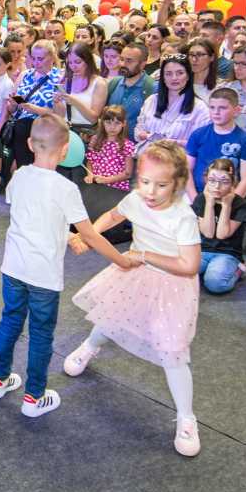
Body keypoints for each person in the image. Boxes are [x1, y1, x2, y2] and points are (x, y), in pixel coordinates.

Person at [63, 140, 204, 455]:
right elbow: (113, 216)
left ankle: (186, 417)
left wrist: (144, 256)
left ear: (178, 183)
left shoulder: (182, 216)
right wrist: (89, 235)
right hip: (136, 274)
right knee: (112, 315)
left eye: (161, 185)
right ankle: (89, 347)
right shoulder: (136, 198)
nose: (151, 192)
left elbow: (189, 265)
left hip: (172, 285)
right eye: (145, 181)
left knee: (172, 349)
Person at [0, 114, 133, 420]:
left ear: (30, 144)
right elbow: (90, 234)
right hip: (43, 276)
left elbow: (33, 217)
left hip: (13, 268)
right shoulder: (66, 189)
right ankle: (34, 396)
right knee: (41, 333)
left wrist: (67, 236)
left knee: (10, 321)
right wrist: (122, 260)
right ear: (66, 150)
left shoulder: (20, 176)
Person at [183, 88, 246, 200]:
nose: (216, 112)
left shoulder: (245, 141)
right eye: (212, 107)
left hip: (227, 198)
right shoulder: (198, 134)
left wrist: (231, 204)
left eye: (222, 108)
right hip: (197, 195)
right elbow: (187, 170)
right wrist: (195, 200)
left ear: (236, 110)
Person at [193, 158, 246, 295]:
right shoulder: (201, 199)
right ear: (206, 180)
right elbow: (208, 233)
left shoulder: (240, 204)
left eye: (224, 182)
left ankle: (237, 270)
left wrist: (226, 205)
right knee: (180, 273)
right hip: (202, 251)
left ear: (233, 183)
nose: (217, 186)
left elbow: (222, 234)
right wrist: (209, 203)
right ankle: (208, 270)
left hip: (227, 253)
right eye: (212, 180)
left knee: (215, 284)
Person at [6, 41, 65, 173]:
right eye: (33, 58)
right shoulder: (25, 75)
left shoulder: (59, 78)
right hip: (20, 129)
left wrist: (32, 108)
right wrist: (13, 104)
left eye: (41, 59)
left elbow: (59, 114)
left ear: (52, 57)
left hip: (44, 130)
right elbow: (12, 108)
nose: (36, 62)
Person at [135, 55, 211, 152]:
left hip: (179, 159)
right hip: (147, 156)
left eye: (180, 73)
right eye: (168, 74)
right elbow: (138, 130)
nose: (174, 78)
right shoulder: (151, 100)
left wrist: (173, 142)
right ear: (163, 77)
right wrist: (144, 135)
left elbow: (201, 143)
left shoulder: (200, 108)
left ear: (188, 76)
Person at [105, 42, 153, 138]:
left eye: (129, 61)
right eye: (122, 59)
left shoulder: (152, 88)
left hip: (136, 144)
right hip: (111, 143)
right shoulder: (114, 83)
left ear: (143, 64)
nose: (123, 64)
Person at [84, 105, 133, 190]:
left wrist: (107, 180)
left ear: (124, 124)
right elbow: (90, 161)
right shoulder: (95, 140)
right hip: (96, 184)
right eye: (108, 122)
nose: (112, 127)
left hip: (116, 188)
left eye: (117, 123)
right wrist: (90, 175)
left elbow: (128, 173)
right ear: (102, 122)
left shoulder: (127, 145)